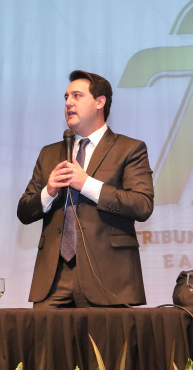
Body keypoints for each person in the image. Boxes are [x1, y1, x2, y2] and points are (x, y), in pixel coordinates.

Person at [17, 70, 154, 308]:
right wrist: (48, 192)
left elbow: (142, 205)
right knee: (44, 346)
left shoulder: (129, 149)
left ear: (100, 102)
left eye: (77, 96)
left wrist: (87, 184)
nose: (68, 103)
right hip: (54, 279)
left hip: (108, 278)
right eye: (66, 97)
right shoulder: (49, 153)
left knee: (106, 347)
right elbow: (24, 212)